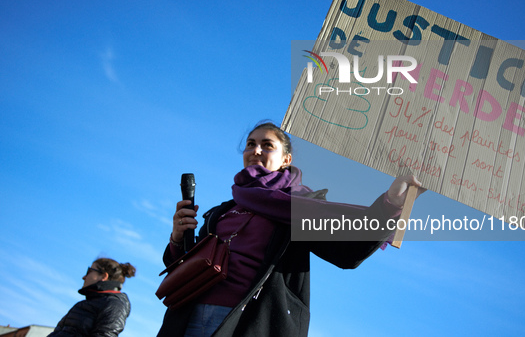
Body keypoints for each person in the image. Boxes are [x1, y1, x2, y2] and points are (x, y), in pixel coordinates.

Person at [157, 122, 425, 337]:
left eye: (267, 145)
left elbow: (347, 249)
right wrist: (177, 238)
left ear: (286, 159)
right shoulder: (221, 210)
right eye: (250, 144)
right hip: (189, 315)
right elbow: (183, 263)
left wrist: (390, 204)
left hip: (252, 321)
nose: (256, 150)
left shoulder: (303, 206)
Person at [49, 258, 136, 337]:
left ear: (103, 276)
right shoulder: (85, 304)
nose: (84, 277)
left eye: (89, 271)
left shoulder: (114, 304)